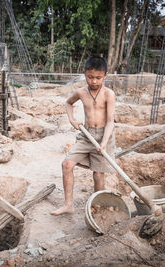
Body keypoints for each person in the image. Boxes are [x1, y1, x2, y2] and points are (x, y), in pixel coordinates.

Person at [51, 56, 116, 216]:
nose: (94, 81)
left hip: (103, 135)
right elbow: (68, 103)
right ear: (84, 74)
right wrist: (72, 120)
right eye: (90, 77)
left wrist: (104, 143)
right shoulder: (81, 92)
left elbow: (110, 122)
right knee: (67, 164)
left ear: (105, 75)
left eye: (98, 78)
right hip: (86, 135)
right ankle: (68, 205)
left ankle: (98, 206)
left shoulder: (109, 94)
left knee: (98, 173)